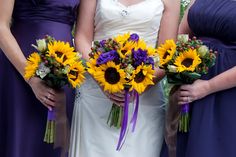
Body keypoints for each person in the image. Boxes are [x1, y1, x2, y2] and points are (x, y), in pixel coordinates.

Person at [69, 0, 180, 157]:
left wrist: (139, 85)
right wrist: (103, 80)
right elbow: (82, 38)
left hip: (144, 94)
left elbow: (166, 54)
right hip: (96, 90)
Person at [0, 0, 79, 157]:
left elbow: (83, 32)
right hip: (19, 66)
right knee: (21, 136)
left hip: (65, 69)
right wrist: (30, 78)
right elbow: (1, 26)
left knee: (57, 141)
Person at [161, 0, 236, 157]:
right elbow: (181, 37)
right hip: (191, 84)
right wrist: (179, 74)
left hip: (226, 94)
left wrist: (208, 86)